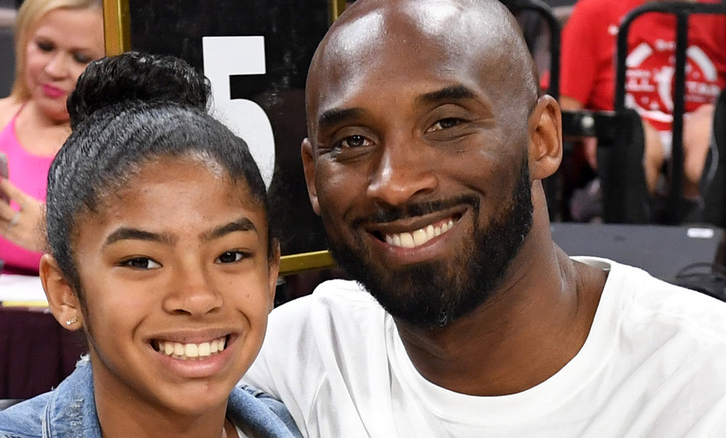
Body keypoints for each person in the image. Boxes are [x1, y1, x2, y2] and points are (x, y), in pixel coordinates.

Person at [241, 0, 726, 436]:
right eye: (352, 141)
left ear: (542, 139)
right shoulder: (294, 353)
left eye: (447, 123)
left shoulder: (701, 378)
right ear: (311, 176)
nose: (395, 182)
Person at [0, 52, 301, 438]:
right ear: (66, 292)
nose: (197, 297)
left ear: (270, 274)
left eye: (230, 256)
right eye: (141, 262)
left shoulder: (305, 420)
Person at [0, 0, 105, 275]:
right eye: (45, 47)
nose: (54, 70)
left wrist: (55, 237)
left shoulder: (122, 148)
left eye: (80, 58)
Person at [560, 0, 726, 208]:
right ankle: (629, 226)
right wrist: (598, 132)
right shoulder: (596, 9)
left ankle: (705, 224)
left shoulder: (720, 14)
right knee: (634, 136)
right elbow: (563, 112)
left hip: (698, 148)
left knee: (708, 127)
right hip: (623, 150)